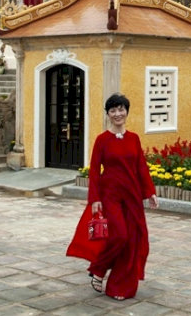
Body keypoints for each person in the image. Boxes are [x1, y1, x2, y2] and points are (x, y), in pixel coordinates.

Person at [66, 93, 158, 301]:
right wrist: (95, 199)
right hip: (110, 196)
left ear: (127, 111)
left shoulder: (134, 138)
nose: (118, 114)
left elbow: (141, 167)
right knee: (119, 236)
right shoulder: (102, 140)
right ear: (108, 114)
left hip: (132, 195)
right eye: (113, 110)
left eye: (121, 109)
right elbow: (94, 171)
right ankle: (98, 270)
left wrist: (150, 191)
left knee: (132, 240)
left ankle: (120, 287)